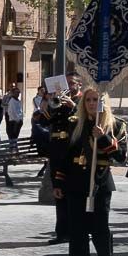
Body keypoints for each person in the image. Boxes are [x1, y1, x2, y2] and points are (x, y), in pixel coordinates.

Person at [53, 87, 126, 256]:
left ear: (104, 103)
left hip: (100, 185)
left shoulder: (116, 126)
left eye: (96, 100)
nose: (92, 104)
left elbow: (122, 157)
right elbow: (65, 157)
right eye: (89, 100)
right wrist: (59, 182)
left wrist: (103, 139)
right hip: (76, 184)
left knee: (100, 232)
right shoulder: (76, 124)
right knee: (77, 235)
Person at [39, 85, 80, 244]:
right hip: (56, 150)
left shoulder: (81, 101)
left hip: (71, 149)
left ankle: (75, 230)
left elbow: (84, 121)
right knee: (58, 188)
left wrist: (74, 107)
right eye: (66, 83)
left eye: (72, 83)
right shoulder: (57, 104)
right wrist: (49, 105)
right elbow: (43, 121)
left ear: (78, 85)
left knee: (72, 192)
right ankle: (61, 232)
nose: (68, 87)